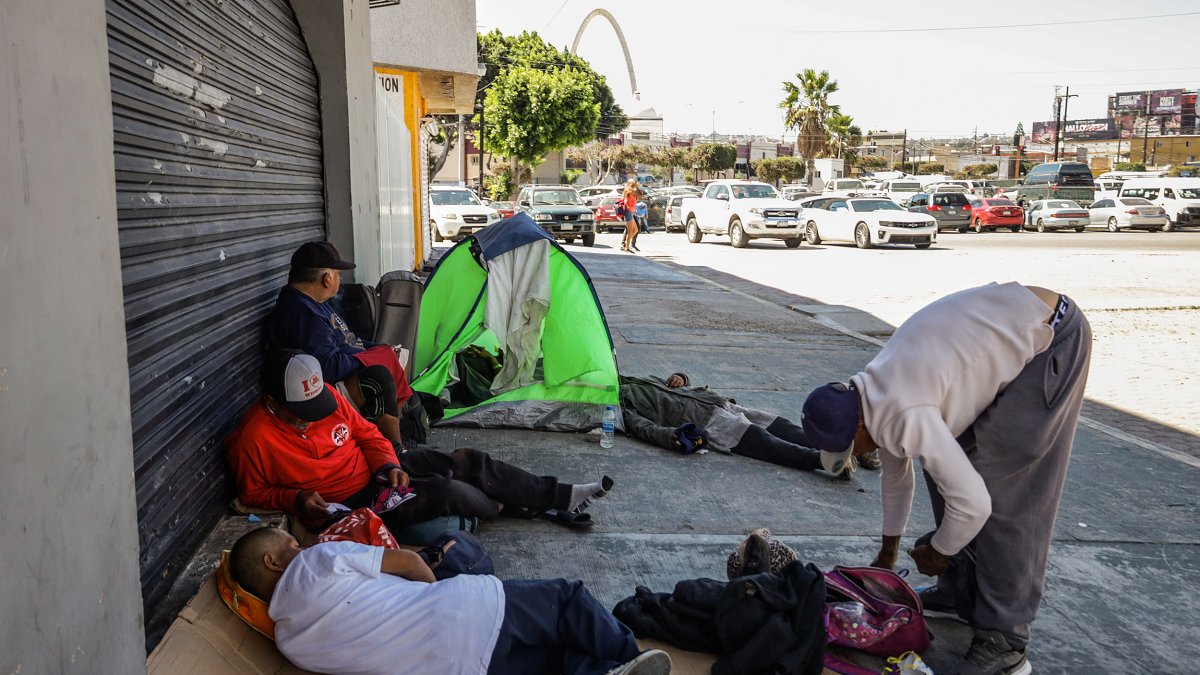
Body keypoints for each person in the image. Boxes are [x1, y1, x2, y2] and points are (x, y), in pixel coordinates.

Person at [799, 282, 1091, 675]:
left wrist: (941, 550)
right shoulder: (873, 396)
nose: (857, 454)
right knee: (946, 469)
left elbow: (975, 505)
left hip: (1051, 336)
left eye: (851, 446)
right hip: (1006, 329)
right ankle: (959, 591)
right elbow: (896, 476)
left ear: (858, 425)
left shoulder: (906, 410)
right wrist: (889, 551)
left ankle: (1006, 639)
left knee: (999, 492)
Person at [227, 349, 614, 532]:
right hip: (350, 504)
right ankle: (517, 505)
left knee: (467, 460)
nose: (316, 416)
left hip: (378, 473)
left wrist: (390, 464)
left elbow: (367, 433)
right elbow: (253, 493)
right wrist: (294, 500)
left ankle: (558, 496)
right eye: (303, 412)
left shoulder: (324, 398)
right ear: (273, 402)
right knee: (447, 491)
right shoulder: (254, 439)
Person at [229, 526, 672, 675]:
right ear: (272, 561)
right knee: (567, 600)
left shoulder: (289, 642)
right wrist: (434, 595)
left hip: (459, 669)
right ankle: (629, 657)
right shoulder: (317, 561)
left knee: (554, 662)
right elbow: (406, 563)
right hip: (466, 611)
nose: (296, 543)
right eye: (287, 541)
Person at [265, 240, 412, 445]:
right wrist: (367, 359)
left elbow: (351, 340)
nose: (339, 281)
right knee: (379, 376)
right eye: (338, 275)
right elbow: (327, 367)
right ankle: (396, 449)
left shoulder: (314, 302)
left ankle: (399, 429)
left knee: (394, 353)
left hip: (344, 368)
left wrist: (378, 350)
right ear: (327, 278)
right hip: (322, 389)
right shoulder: (301, 313)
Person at [618, 372, 861, 476]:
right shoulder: (621, 403)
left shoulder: (637, 378)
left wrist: (681, 377)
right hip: (706, 422)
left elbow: (676, 383)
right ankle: (822, 460)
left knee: (778, 425)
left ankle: (838, 446)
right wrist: (669, 435)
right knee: (762, 441)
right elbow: (643, 428)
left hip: (716, 402)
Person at [620, 179, 641, 254]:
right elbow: (641, 195)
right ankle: (627, 247)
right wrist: (637, 187)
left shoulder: (630, 190)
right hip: (628, 212)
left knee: (635, 230)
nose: (636, 184)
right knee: (630, 231)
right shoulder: (630, 190)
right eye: (635, 183)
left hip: (631, 211)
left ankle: (626, 244)